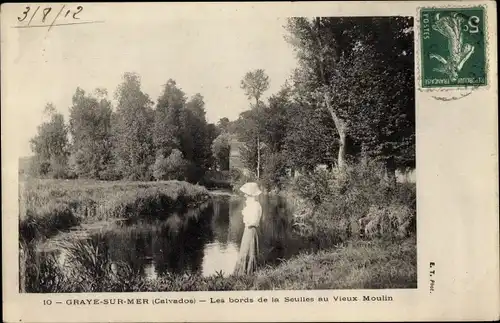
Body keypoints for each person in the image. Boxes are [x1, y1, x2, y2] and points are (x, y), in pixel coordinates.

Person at [234, 182, 262, 275]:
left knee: (249, 250)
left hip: (251, 230)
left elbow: (253, 221)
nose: (245, 196)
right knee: (245, 250)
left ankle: (249, 272)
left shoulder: (255, 205)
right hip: (248, 230)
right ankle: (243, 272)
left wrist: (247, 221)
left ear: (251, 194)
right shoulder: (250, 205)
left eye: (246, 194)